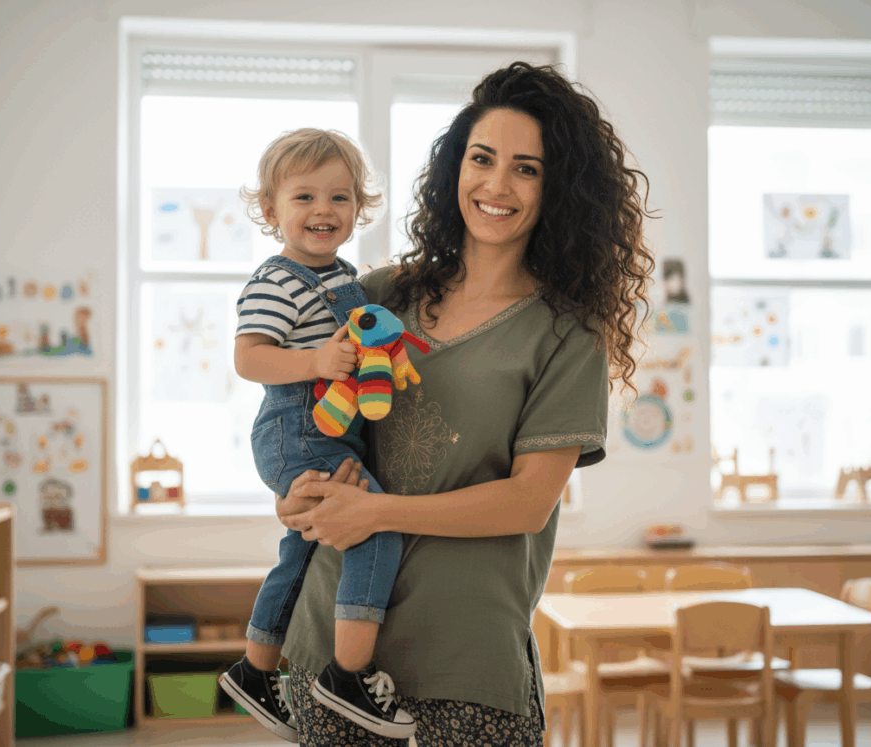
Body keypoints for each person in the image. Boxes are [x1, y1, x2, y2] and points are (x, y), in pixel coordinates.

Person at [274, 62, 657, 746]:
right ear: (456, 167)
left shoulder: (567, 331)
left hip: (467, 666)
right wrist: (296, 492)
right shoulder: (380, 294)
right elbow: (304, 419)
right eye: (481, 158)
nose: (496, 184)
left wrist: (375, 511)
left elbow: (526, 502)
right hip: (331, 648)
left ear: (559, 188)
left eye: (527, 168)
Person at [219, 128, 418, 742]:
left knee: (300, 552)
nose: (322, 211)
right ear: (271, 209)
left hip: (332, 432)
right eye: (303, 197)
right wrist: (314, 364)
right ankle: (348, 674)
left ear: (359, 207)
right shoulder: (276, 280)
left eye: (339, 197)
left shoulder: (344, 276)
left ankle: (255, 671)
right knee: (376, 528)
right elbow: (248, 358)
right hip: (297, 429)